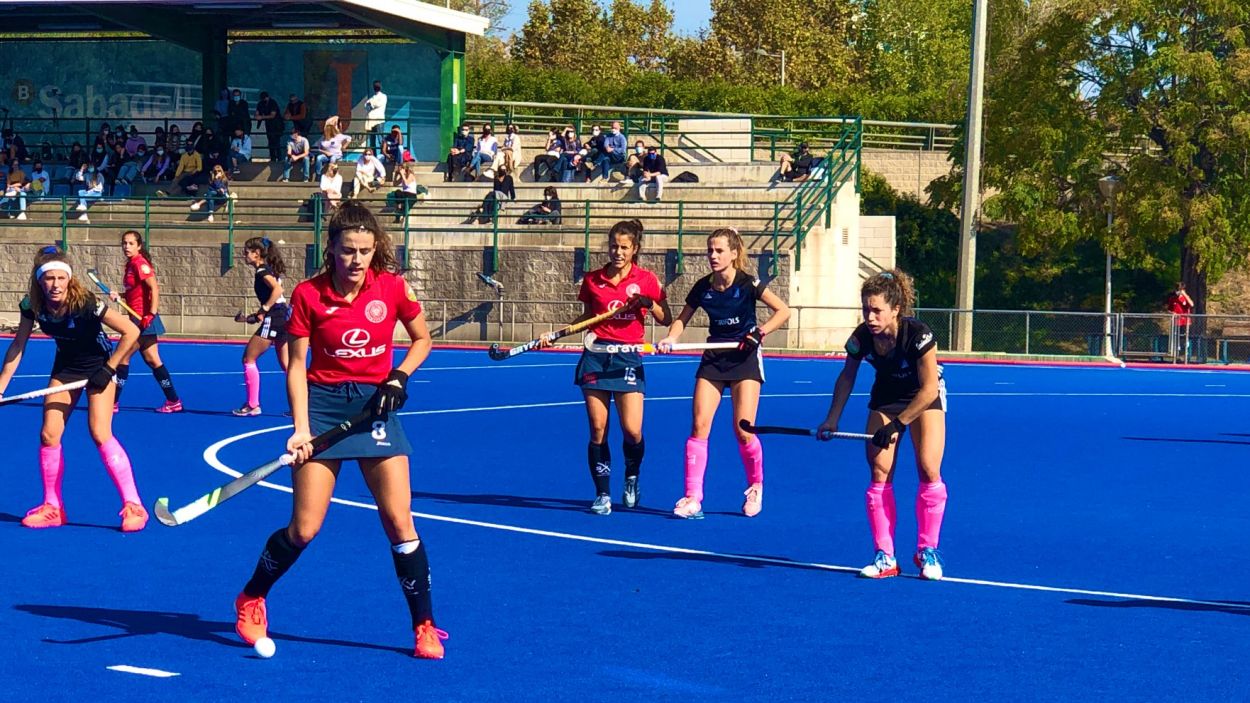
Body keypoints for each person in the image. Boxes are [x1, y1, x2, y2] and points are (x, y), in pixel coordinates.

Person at [231, 202, 446, 659]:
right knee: (305, 529)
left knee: (398, 521)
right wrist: (300, 428)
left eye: (365, 251)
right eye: (348, 251)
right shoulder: (309, 295)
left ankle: (424, 625)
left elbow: (422, 338)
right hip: (325, 410)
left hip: (375, 408)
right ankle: (252, 596)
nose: (357, 260)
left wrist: (399, 375)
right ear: (330, 249)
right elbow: (295, 366)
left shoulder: (391, 288)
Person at [0, 246, 146, 531]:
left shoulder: (85, 302)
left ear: (69, 279)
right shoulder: (32, 305)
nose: (55, 285)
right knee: (49, 434)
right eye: (49, 279)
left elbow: (132, 332)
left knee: (100, 433)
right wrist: (1, 384)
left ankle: (134, 505)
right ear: (39, 280)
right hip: (66, 368)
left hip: (99, 366)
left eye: (60, 278)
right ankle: (53, 507)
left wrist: (109, 369)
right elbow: (19, 344)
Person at [817, 270, 948, 581]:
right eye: (866, 309)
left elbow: (929, 388)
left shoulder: (919, 334)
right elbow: (847, 376)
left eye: (876, 310)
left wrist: (899, 424)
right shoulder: (861, 337)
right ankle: (885, 555)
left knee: (929, 468)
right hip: (886, 398)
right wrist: (832, 417)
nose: (870, 316)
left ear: (895, 310)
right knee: (879, 471)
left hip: (924, 397)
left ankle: (927, 550)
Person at [657, 228, 791, 519]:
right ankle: (693, 498)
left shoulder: (748, 283)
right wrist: (671, 338)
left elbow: (783, 310)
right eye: (710, 250)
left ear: (734, 254)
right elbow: (680, 321)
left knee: (743, 430)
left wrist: (760, 332)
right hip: (715, 357)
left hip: (744, 357)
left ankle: (756, 485)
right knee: (699, 425)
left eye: (719, 251)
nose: (713, 256)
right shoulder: (703, 286)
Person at [551, 220, 669, 514]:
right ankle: (602, 493)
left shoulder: (647, 279)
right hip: (596, 355)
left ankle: (632, 476)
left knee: (632, 430)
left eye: (624, 247)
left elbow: (665, 318)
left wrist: (647, 303)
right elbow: (587, 318)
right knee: (598, 428)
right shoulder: (593, 280)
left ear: (635, 249)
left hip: (628, 357)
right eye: (614, 246)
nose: (617, 252)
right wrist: (555, 334)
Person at [108, 230, 183, 413]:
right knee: (152, 359)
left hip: (143, 319)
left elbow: (154, 289)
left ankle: (112, 403)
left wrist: (151, 313)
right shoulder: (131, 264)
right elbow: (136, 292)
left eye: (131, 243)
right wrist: (121, 296)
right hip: (137, 317)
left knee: (122, 357)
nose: (127, 246)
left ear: (139, 246)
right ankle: (173, 401)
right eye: (124, 243)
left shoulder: (140, 264)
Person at [233, 237, 290, 416]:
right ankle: (303, 405)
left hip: (275, 316)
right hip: (281, 315)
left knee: (248, 359)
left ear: (256, 254)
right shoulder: (270, 270)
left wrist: (264, 309)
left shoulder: (262, 271)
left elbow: (277, 291)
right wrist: (259, 314)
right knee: (288, 365)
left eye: (246, 252)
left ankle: (252, 404)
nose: (244, 255)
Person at [1166, 282, 1195, 358]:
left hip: (1185, 321)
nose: (1178, 291)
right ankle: (1176, 354)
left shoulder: (1186, 297)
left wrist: (1184, 294)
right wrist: (1173, 313)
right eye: (1177, 290)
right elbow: (1169, 309)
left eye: (1180, 290)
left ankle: (1186, 353)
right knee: (1176, 337)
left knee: (1185, 337)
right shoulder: (1173, 299)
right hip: (1176, 322)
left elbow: (1191, 304)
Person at [254, 91, 284, 162]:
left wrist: (262, 117)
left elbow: (273, 115)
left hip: (276, 125)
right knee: (270, 141)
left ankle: (279, 158)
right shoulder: (261, 104)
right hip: (269, 125)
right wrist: (257, 116)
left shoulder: (273, 103)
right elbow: (257, 113)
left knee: (276, 142)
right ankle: (273, 158)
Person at [364, 81, 387, 151]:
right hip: (371, 121)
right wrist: (370, 105)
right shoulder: (372, 97)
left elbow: (376, 104)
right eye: (375, 85)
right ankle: (373, 155)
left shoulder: (383, 96)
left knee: (380, 139)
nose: (376, 86)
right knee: (372, 140)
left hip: (379, 120)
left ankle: (383, 155)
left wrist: (371, 104)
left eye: (378, 85)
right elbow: (366, 105)